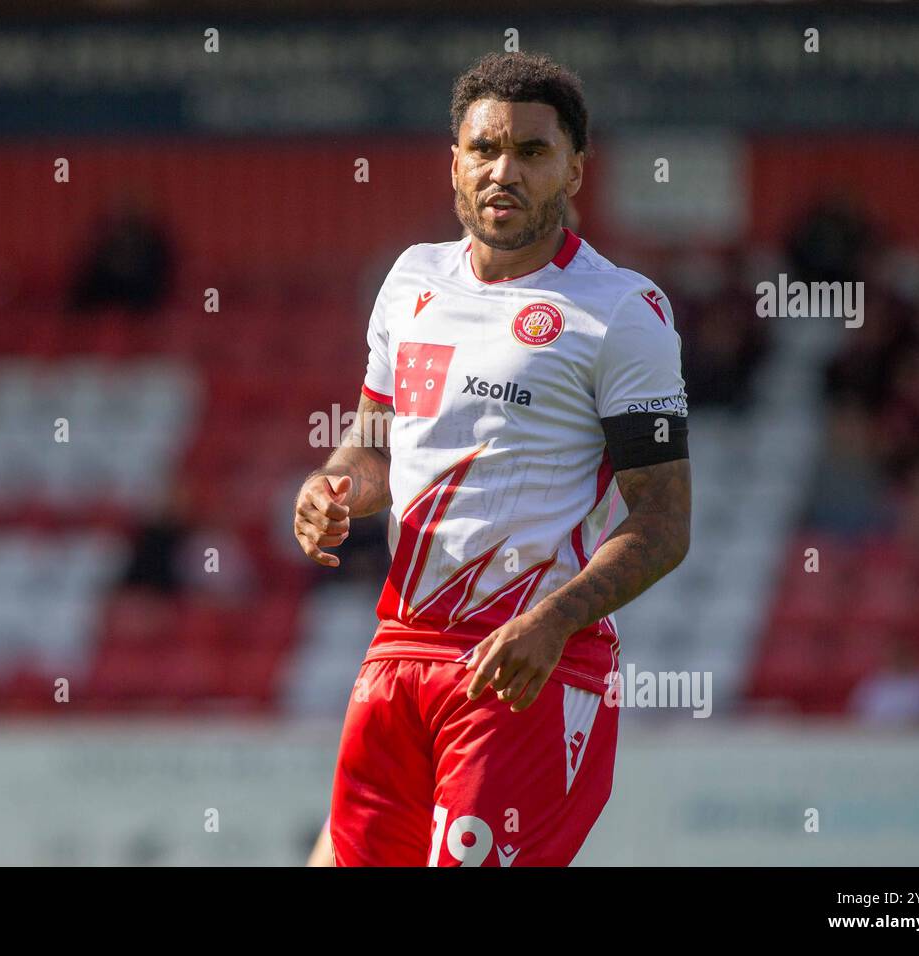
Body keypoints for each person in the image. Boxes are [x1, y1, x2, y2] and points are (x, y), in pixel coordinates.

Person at [293, 53, 691, 867]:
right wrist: (333, 487)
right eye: (484, 149)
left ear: (575, 168)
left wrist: (551, 623)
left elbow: (663, 524)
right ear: (455, 162)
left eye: (533, 152)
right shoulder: (411, 280)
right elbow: (372, 445)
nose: (503, 171)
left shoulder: (622, 312)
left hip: (526, 665)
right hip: (400, 651)